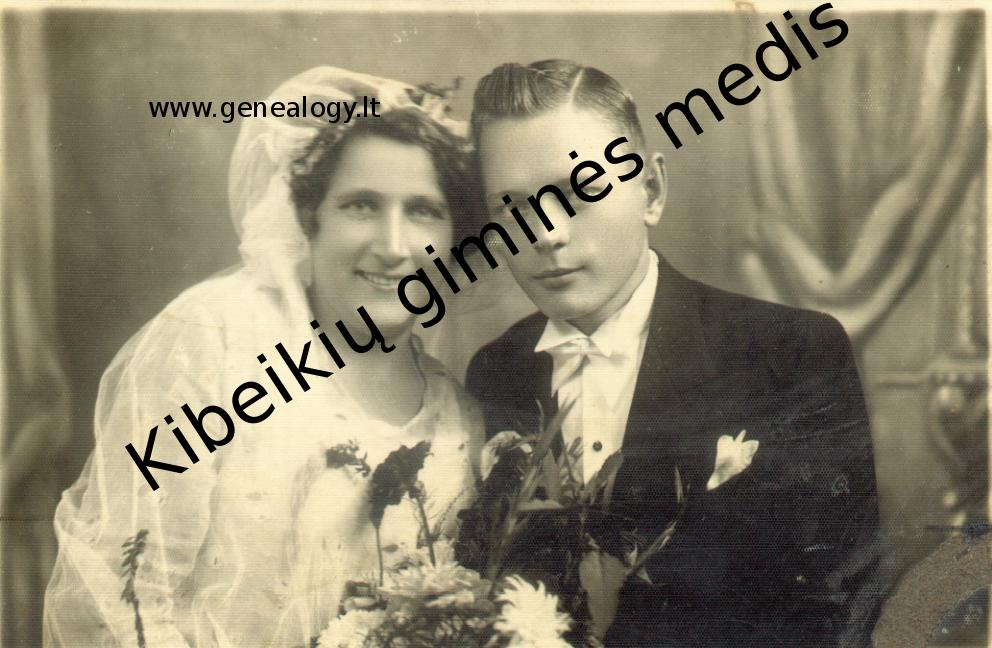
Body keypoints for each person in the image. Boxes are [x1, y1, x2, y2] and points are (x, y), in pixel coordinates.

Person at [44, 67, 484, 647]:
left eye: (424, 211)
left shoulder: (458, 416)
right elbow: (115, 591)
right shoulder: (215, 339)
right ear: (310, 218)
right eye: (361, 206)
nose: (393, 246)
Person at [465, 59, 883, 646]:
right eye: (512, 205)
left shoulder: (789, 355)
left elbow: (837, 612)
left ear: (651, 191)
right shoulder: (497, 371)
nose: (547, 234)